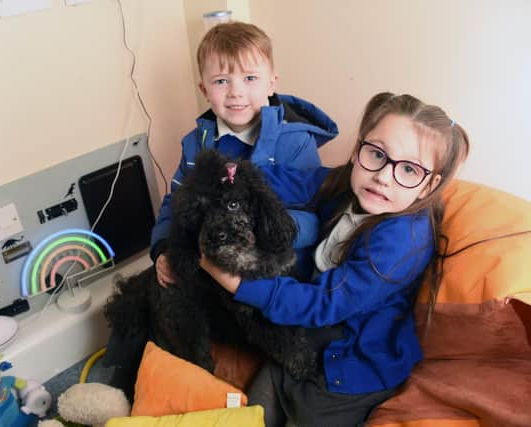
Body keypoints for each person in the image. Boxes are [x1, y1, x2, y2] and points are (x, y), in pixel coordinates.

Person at [101, 21, 338, 403]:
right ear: (204, 90)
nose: (236, 92)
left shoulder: (294, 144)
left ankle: (212, 381)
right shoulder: (197, 145)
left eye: (249, 77)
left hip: (265, 264)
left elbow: (314, 220)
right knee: (151, 286)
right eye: (221, 81)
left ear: (271, 83)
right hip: (208, 260)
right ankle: (118, 381)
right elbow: (172, 206)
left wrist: (253, 240)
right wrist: (164, 250)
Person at [200, 92, 470, 426]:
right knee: (254, 409)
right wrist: (232, 176)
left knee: (305, 413)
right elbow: (293, 182)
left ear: (429, 186)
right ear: (358, 150)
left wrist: (239, 283)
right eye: (376, 154)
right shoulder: (348, 183)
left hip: (355, 364)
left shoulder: (403, 240)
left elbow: (326, 302)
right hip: (311, 339)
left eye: (410, 170)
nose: (384, 176)